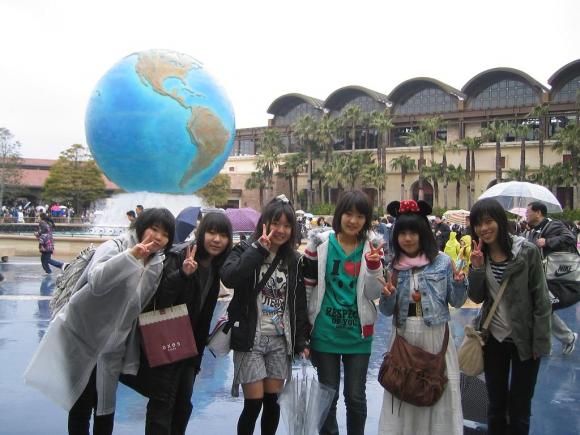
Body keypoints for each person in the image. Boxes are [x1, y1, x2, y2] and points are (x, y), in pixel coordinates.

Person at [24, 208, 175, 435]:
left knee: (105, 409)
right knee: (81, 405)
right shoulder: (115, 247)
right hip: (83, 338)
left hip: (113, 346)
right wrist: (131, 256)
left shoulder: (156, 263)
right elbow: (96, 280)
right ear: (142, 226)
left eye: (165, 234)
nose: (158, 237)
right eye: (154, 229)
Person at [220, 194, 309, 435]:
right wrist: (259, 249)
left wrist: (301, 340)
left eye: (287, 225)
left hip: (280, 340)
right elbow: (229, 277)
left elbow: (298, 302)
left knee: (272, 402)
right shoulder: (244, 249)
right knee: (253, 404)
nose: (281, 230)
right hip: (251, 338)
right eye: (276, 223)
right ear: (264, 224)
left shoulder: (293, 260)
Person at [137, 212, 233, 435]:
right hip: (167, 341)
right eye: (211, 232)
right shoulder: (180, 255)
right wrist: (183, 274)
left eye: (223, 235)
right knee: (162, 404)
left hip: (188, 348)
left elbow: (204, 315)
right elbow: (160, 299)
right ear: (201, 233)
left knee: (182, 405)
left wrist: (197, 357)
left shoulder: (215, 267)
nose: (216, 239)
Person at [377, 199, 466, 435]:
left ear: (423, 234)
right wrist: (387, 296)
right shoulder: (393, 266)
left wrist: (459, 283)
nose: (407, 238)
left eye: (413, 233)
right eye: (402, 233)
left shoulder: (443, 262)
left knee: (436, 390)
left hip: (434, 335)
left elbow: (456, 301)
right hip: (403, 336)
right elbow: (386, 311)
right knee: (403, 389)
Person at [303, 189, 384, 435]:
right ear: (340, 215)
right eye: (349, 213)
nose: (353, 220)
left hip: (358, 335)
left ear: (366, 219)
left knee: (355, 397)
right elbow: (307, 288)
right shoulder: (320, 245)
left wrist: (373, 266)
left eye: (360, 216)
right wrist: (304, 331)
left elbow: (374, 293)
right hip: (325, 333)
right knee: (328, 396)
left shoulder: (373, 247)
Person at [469, 198, 551, 435]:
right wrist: (476, 268)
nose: (484, 228)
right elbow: (476, 297)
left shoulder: (527, 252)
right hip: (494, 339)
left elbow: (541, 300)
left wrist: (540, 341)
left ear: (500, 221)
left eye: (488, 221)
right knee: (495, 405)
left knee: (520, 407)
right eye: (478, 224)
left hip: (525, 338)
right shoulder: (480, 254)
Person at [525, 201, 578, 355]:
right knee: (541, 308)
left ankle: (563, 339)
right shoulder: (533, 231)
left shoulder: (553, 225)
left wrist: (547, 242)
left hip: (558, 279)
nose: (526, 214)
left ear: (538, 213)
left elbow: (570, 238)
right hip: (542, 277)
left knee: (543, 307)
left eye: (528, 212)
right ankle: (558, 340)